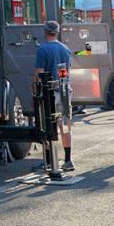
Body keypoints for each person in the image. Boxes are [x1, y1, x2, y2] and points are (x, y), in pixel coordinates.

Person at [35, 20, 74, 171]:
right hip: (64, 91)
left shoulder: (42, 50)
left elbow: (39, 73)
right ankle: (68, 159)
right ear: (57, 32)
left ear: (45, 32)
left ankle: (49, 161)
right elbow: (65, 71)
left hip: (49, 93)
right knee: (64, 126)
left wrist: (35, 90)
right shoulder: (66, 49)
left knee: (48, 126)